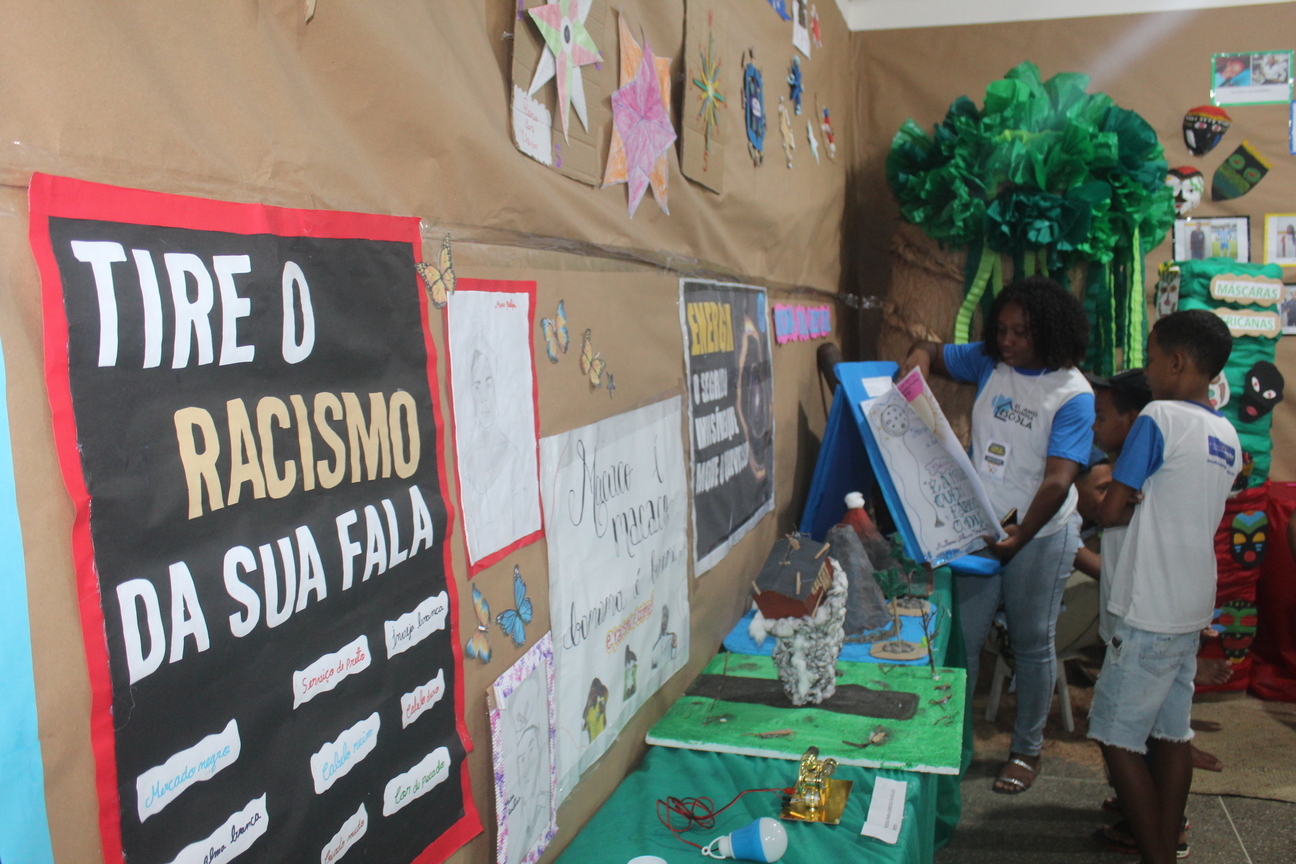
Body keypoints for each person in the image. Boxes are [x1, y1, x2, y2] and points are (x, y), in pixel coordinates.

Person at [901, 275, 1095, 793]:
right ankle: (951, 742)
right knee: (963, 641)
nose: (1007, 341)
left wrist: (1021, 536)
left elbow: (1058, 481)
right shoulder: (990, 362)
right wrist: (915, 371)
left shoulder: (1072, 395)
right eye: (1001, 330)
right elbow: (929, 350)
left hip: (1042, 531)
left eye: (1021, 333)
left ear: (1050, 333)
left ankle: (1027, 751)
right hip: (981, 527)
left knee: (1031, 643)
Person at [1091, 310, 1240, 864]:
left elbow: (1109, 511)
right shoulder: (1227, 434)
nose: (1148, 370)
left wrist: (1128, 500)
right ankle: (1166, 843)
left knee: (1117, 738)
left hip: (1146, 606)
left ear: (1177, 362)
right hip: (1189, 604)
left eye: (1152, 359)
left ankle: (1156, 854)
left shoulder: (1158, 418)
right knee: (1173, 734)